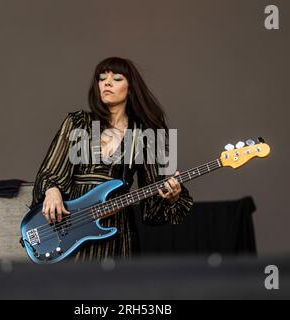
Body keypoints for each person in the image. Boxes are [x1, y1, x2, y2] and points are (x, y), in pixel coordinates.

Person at [30, 57, 193, 262]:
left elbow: (151, 207)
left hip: (115, 232)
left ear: (131, 88)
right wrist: (51, 190)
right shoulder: (78, 122)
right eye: (102, 78)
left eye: (116, 78)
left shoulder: (146, 135)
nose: (106, 82)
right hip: (70, 227)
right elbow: (48, 171)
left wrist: (172, 197)